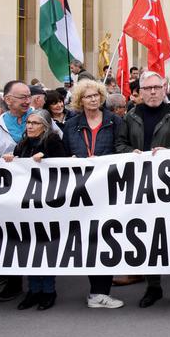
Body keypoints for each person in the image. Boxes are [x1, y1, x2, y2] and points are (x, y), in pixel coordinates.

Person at [116, 71, 170, 308]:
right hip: (142, 186)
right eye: (147, 88)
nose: (152, 92)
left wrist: (167, 153)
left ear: (164, 89)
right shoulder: (130, 117)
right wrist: (132, 154)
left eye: (156, 88)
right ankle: (153, 287)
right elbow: (120, 144)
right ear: (139, 92)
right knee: (148, 236)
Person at [0, 80, 56, 303]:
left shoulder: (42, 117)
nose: (27, 100)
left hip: (44, 194)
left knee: (42, 240)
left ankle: (47, 290)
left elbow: (58, 148)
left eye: (28, 96)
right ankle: (21, 286)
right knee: (18, 238)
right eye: (22, 97)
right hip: (14, 193)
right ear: (8, 99)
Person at [62, 79, 127, 308]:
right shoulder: (71, 125)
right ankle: (95, 291)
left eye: (97, 95)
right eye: (88, 96)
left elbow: (121, 147)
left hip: (108, 186)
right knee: (88, 239)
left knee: (107, 237)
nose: (93, 99)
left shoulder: (115, 121)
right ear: (80, 100)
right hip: (82, 188)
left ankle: (102, 291)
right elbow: (64, 152)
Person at [5, 109, 67, 311]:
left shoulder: (53, 141)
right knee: (29, 247)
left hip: (48, 204)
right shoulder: (22, 144)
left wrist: (46, 158)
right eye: (28, 122)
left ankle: (48, 291)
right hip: (26, 205)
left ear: (46, 126)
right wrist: (7, 160)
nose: (30, 126)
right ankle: (33, 290)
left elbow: (64, 165)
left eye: (35, 123)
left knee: (45, 247)